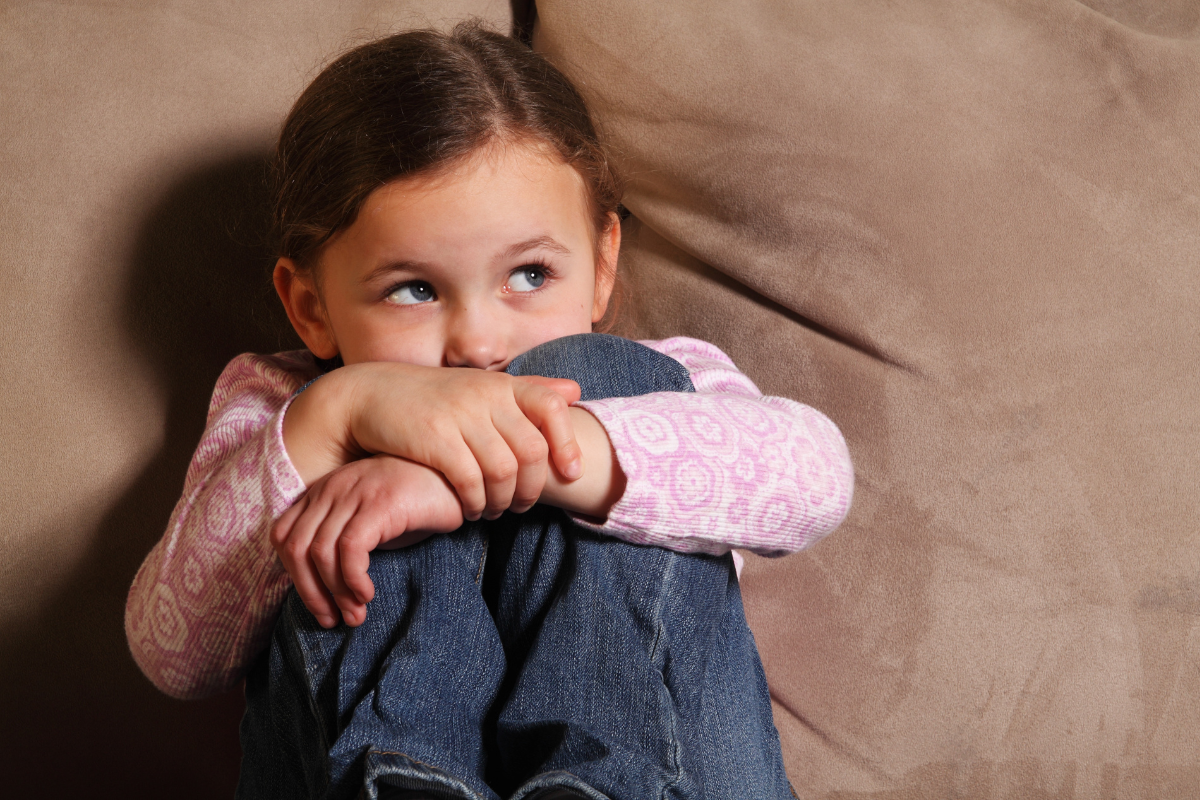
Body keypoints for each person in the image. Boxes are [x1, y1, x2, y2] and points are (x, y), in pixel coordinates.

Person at [125, 23, 854, 800]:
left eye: (530, 274)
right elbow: (173, 656)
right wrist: (339, 414)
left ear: (603, 264)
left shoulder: (674, 383)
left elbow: (819, 476)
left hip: (671, 776)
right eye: (414, 289)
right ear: (311, 307)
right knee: (357, 460)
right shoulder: (280, 406)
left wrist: (492, 464)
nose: (477, 342)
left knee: (593, 374)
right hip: (353, 776)